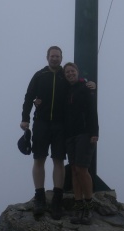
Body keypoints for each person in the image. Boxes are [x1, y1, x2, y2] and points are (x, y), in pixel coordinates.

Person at [20, 46, 95, 220]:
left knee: (58, 160)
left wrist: (90, 83)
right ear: (47, 57)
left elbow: (78, 82)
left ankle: (57, 200)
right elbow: (29, 96)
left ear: (61, 58)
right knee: (39, 158)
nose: (55, 59)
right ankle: (39, 198)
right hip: (41, 123)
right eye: (52, 56)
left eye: (58, 56)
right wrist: (25, 118)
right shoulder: (39, 75)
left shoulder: (64, 75)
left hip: (61, 125)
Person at [63, 62, 99, 225]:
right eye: (67, 72)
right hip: (70, 135)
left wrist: (94, 132)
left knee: (82, 169)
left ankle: (88, 205)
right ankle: (78, 207)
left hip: (85, 133)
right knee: (74, 170)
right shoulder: (66, 90)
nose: (70, 74)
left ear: (77, 72)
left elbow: (92, 110)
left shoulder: (85, 87)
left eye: (72, 71)